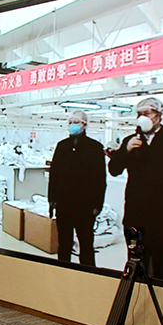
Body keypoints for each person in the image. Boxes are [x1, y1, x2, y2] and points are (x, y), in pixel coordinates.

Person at [107, 97, 163, 281]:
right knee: (136, 264)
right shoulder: (131, 141)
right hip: (136, 214)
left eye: (147, 114)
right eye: (139, 114)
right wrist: (126, 151)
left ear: (158, 116)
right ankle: (137, 296)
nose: (142, 118)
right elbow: (114, 170)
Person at [47, 110, 106, 266]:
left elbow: (100, 179)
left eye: (76, 122)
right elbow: (54, 175)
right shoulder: (62, 146)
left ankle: (88, 273)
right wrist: (52, 200)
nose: (73, 125)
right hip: (64, 204)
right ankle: (62, 271)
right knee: (64, 244)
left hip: (85, 206)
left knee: (86, 244)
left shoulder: (95, 148)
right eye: (71, 122)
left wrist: (97, 205)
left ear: (84, 125)